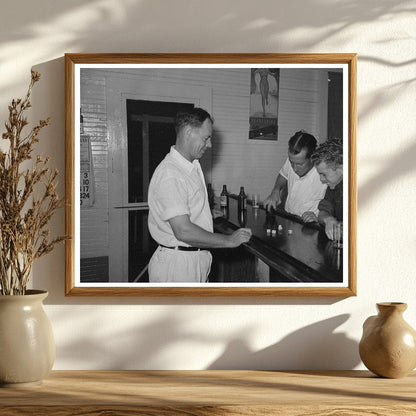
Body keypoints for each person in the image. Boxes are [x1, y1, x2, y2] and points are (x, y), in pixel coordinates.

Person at [147, 108, 252, 283]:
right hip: (178, 266)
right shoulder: (171, 173)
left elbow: (183, 208)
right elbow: (183, 230)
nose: (209, 145)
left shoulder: (189, 166)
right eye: (206, 138)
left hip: (191, 260)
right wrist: (229, 241)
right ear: (188, 132)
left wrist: (204, 214)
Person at [263, 130, 327, 221]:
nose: (294, 168)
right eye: (291, 163)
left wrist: (319, 218)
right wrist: (276, 190)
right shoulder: (294, 159)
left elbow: (333, 206)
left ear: (313, 157)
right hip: (289, 218)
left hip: (310, 225)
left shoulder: (325, 173)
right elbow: (283, 174)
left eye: (300, 164)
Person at [309, 138, 343, 239]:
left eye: (323, 174)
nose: (321, 179)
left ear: (342, 169)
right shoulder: (333, 187)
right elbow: (323, 212)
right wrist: (328, 219)